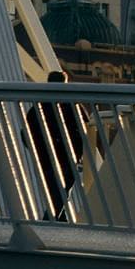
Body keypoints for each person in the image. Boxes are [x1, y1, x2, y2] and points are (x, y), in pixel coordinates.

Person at [25, 69, 88, 222]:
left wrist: (36, 150)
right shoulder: (72, 105)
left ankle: (58, 218)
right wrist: (79, 152)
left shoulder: (38, 107)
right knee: (63, 188)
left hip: (45, 156)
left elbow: (26, 133)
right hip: (67, 155)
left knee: (55, 189)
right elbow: (84, 128)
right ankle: (51, 219)